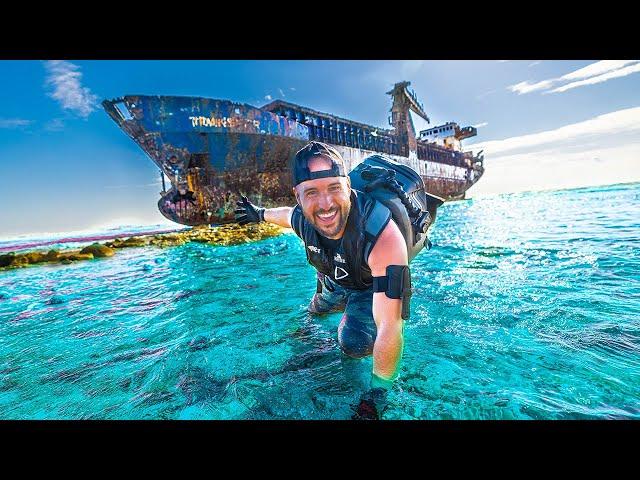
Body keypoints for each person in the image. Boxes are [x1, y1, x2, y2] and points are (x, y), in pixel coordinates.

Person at [235, 141, 412, 420]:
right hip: (334, 277)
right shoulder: (301, 217)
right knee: (315, 313)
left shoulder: (384, 237)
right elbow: (283, 215)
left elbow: (391, 326)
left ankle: (350, 322)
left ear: (347, 187)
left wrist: (376, 397)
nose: (325, 204)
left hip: (368, 285)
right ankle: (327, 315)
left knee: (354, 343)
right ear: (298, 195)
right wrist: (258, 214)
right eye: (312, 192)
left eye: (334, 188)